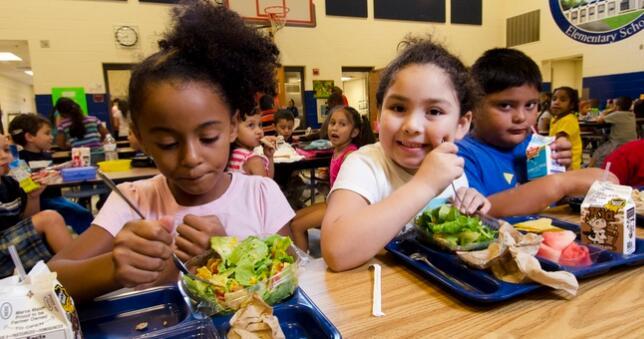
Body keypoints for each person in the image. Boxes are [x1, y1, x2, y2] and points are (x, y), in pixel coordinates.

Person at [48, 1, 293, 302]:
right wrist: (113, 268)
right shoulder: (132, 200)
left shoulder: (261, 194)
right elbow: (47, 282)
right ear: (140, 139)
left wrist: (228, 252)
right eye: (168, 144)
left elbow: (291, 273)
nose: (190, 158)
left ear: (232, 126)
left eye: (208, 137)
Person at [321, 37, 489, 271]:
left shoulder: (453, 171)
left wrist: (470, 208)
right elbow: (336, 252)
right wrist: (425, 184)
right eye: (398, 108)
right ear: (379, 115)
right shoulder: (364, 164)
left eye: (434, 111)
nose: (412, 125)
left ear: (461, 124)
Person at [458, 48, 614, 217]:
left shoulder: (535, 147)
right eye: (505, 105)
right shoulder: (460, 156)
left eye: (530, 105)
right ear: (473, 106)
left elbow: (556, 208)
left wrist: (563, 169)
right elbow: (477, 214)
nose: (521, 117)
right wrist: (560, 183)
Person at [291, 105, 374, 251]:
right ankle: (302, 257)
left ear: (354, 132)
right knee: (293, 218)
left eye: (342, 124)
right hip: (332, 203)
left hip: (342, 210)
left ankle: (302, 269)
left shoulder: (350, 155)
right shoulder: (337, 150)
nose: (334, 128)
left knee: (297, 225)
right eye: (332, 122)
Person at [8, 114, 94, 234]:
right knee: (81, 215)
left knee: (84, 213)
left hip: (56, 198)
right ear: (29, 137)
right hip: (38, 203)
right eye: (47, 133)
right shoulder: (18, 161)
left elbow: (51, 175)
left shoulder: (46, 155)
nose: (51, 137)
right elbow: (29, 187)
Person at [0, 135, 72, 278]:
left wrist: (34, 196)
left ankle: (72, 270)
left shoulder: (10, 183)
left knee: (51, 218)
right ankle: (77, 272)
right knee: (51, 218)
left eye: (6, 150)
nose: (4, 156)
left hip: (11, 245)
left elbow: (26, 221)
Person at [54, 97, 108, 163]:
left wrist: (69, 146)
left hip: (79, 157)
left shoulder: (63, 125)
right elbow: (106, 135)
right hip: (98, 154)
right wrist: (99, 142)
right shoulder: (93, 119)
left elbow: (60, 144)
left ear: (61, 113)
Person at [589, 96, 637, 167]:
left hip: (618, 144)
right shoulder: (632, 114)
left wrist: (609, 110)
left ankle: (592, 170)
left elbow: (598, 120)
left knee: (598, 153)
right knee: (602, 146)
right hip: (632, 143)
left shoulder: (617, 114)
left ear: (617, 106)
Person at [227, 108, 276, 177]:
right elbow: (267, 185)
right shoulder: (254, 160)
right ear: (233, 129)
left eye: (260, 125)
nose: (259, 131)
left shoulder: (228, 155)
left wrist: (269, 156)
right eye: (251, 125)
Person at [549, 86, 582, 169]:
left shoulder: (568, 119)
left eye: (563, 100)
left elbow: (560, 140)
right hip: (560, 161)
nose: (556, 102)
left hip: (569, 166)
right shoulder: (555, 119)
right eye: (554, 99)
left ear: (571, 105)